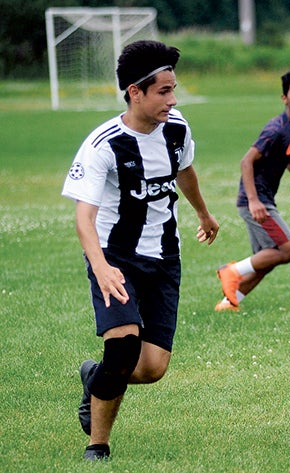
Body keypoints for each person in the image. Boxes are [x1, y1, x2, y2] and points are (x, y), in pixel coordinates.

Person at [61, 40, 219, 461]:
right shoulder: (103, 145)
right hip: (116, 257)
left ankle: (96, 377)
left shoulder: (178, 128)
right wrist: (102, 267)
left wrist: (204, 213)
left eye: (173, 89)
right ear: (135, 92)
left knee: (151, 368)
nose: (173, 99)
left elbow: (184, 172)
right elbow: (83, 217)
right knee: (122, 348)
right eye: (164, 91)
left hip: (165, 256)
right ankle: (97, 446)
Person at [215, 69, 290, 311]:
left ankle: (229, 302)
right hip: (256, 200)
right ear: (284, 98)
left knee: (267, 259)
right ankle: (231, 271)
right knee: (288, 250)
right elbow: (246, 161)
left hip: (264, 198)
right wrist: (254, 201)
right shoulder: (276, 129)